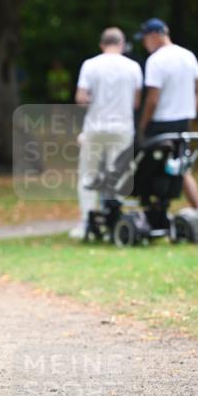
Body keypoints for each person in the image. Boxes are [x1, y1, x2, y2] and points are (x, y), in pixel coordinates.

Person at [72, 27, 143, 238]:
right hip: (122, 127)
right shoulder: (133, 67)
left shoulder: (90, 65)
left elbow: (81, 97)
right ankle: (115, 220)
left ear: (102, 45)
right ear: (122, 44)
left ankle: (87, 222)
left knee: (88, 174)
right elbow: (137, 101)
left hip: (96, 127)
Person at [137, 17, 198, 211]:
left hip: (161, 124)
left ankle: (152, 210)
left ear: (154, 36)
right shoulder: (187, 56)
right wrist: (191, 113)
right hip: (183, 123)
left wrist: (142, 125)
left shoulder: (155, 61)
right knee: (182, 169)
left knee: (152, 166)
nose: (144, 43)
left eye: (145, 38)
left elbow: (152, 99)